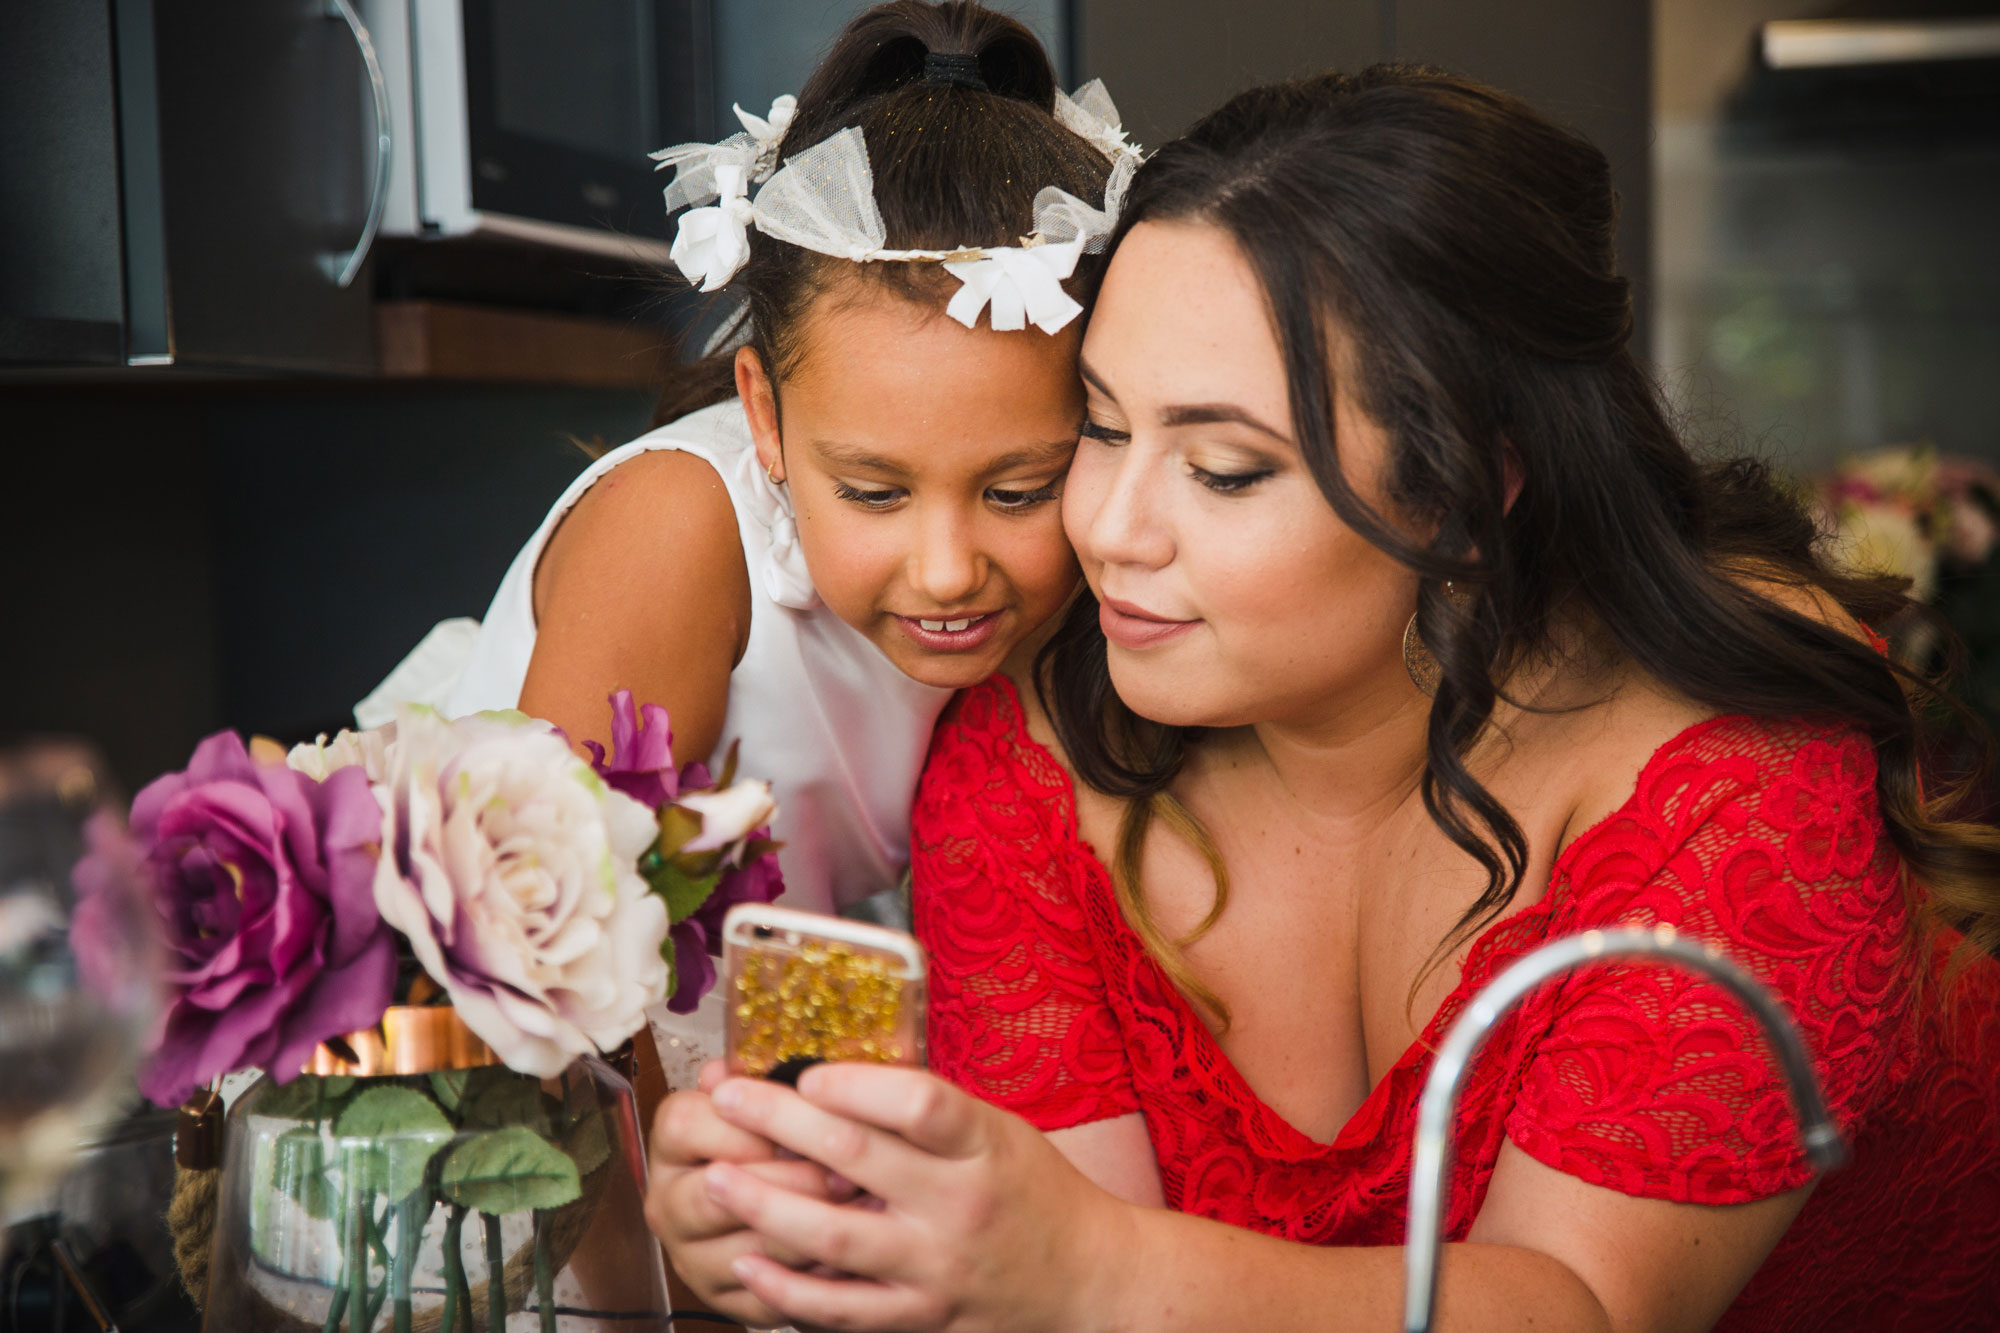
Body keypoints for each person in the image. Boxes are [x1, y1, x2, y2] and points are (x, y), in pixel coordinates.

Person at [646, 66, 2000, 1330]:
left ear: (1471, 487)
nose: (1111, 529)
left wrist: (1083, 1264)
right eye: (1101, 430)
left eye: (1224, 470)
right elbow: (1064, 1289)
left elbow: (1581, 1306)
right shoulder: (1025, 766)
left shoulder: (1736, 783)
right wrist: (827, 1238)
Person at [365, 2, 1134, 1083]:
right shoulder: (677, 533)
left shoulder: (1115, 561)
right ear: (764, 418)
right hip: (548, 1109)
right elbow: (541, 978)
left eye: (1019, 490)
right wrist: (670, 1245)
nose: (949, 567)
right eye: (872, 491)